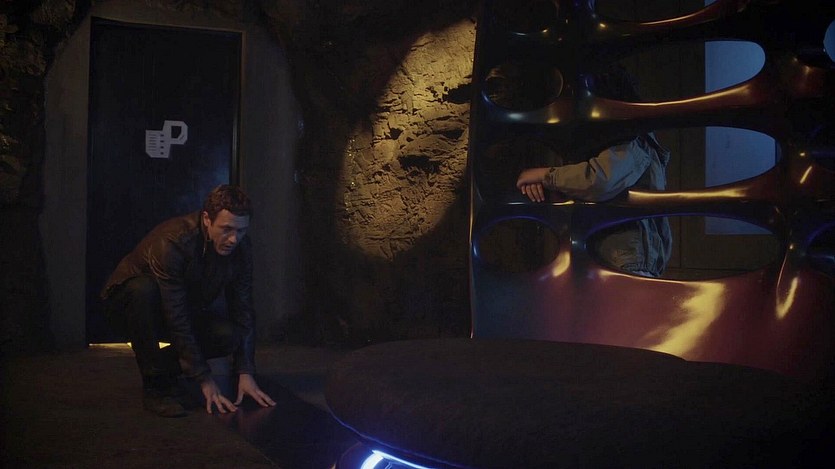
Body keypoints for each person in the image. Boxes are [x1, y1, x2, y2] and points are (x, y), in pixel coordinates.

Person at [101, 184, 276, 417]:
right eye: (226, 229)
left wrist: (246, 373)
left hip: (179, 309)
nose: (234, 239)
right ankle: (155, 388)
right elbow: (175, 314)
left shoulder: (241, 248)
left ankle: (164, 372)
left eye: (241, 231)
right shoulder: (173, 241)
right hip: (128, 309)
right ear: (207, 219)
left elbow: (243, 308)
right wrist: (205, 379)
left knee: (228, 335)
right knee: (142, 290)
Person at [515, 68, 673, 277]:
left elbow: (599, 180)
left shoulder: (631, 140)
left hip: (629, 257)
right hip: (621, 255)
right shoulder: (622, 139)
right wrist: (543, 182)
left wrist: (544, 175)